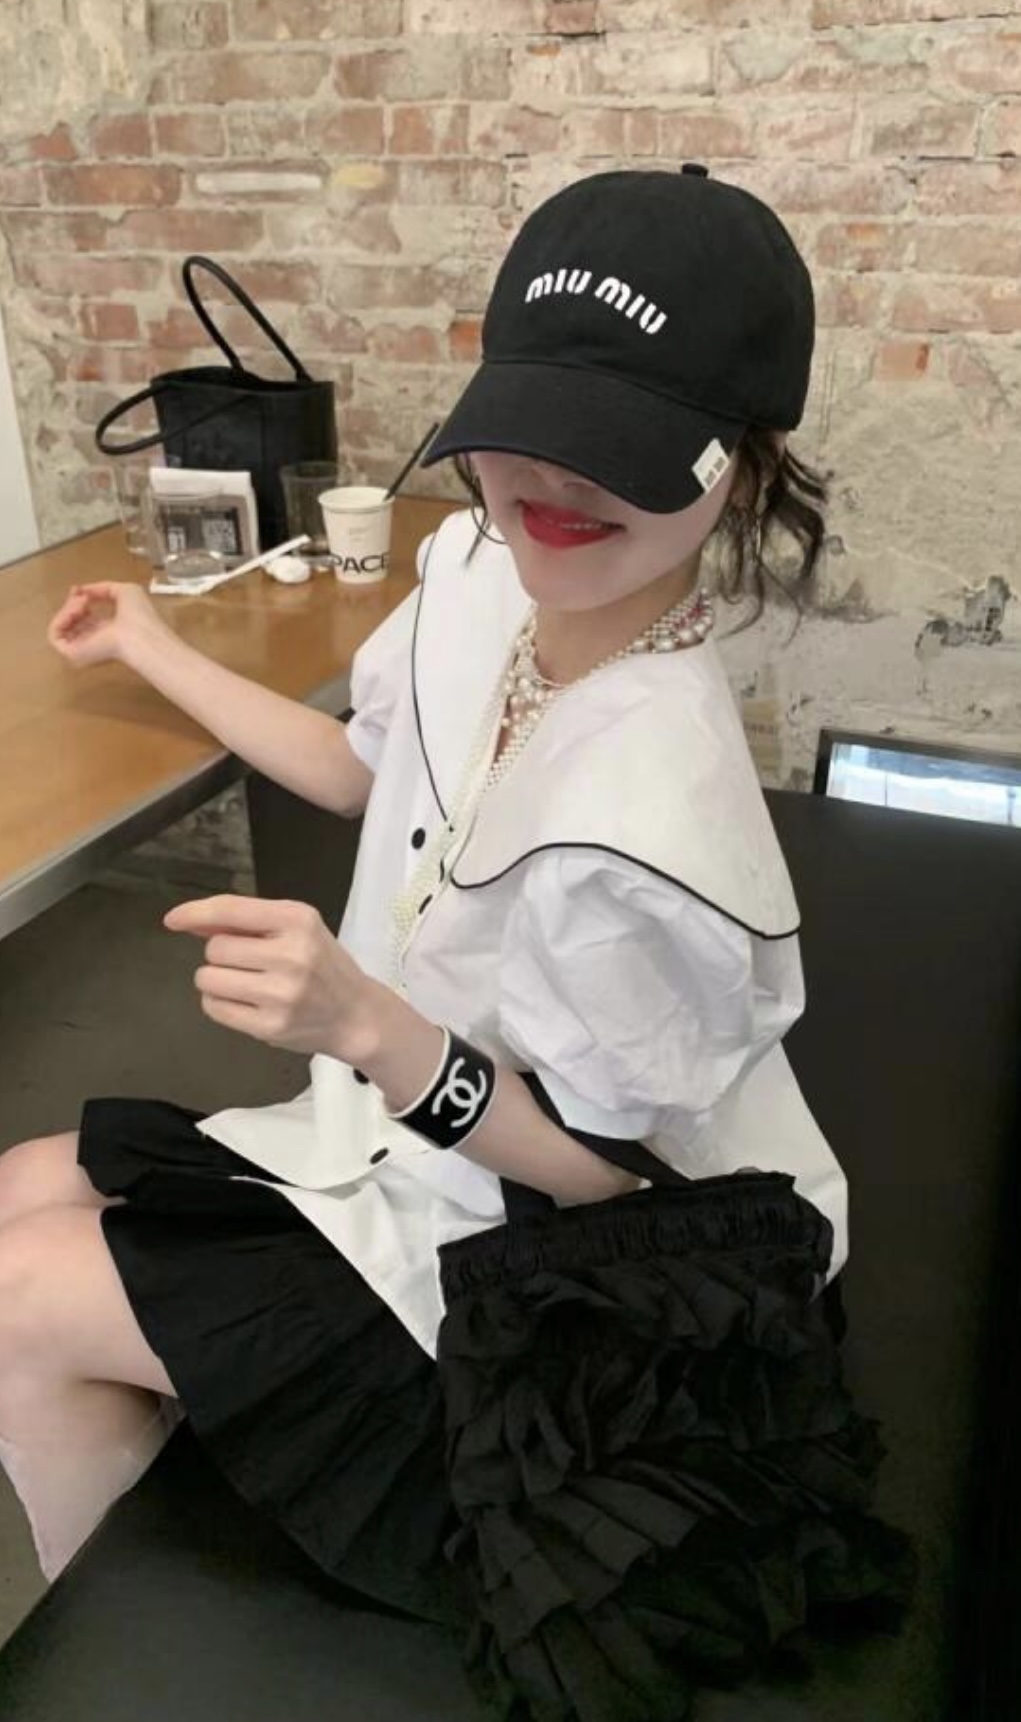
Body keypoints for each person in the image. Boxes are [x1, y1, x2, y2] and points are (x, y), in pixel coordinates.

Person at [0, 166, 905, 1716]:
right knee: (21, 1182)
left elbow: (614, 1178)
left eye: (620, 443)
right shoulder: (479, 576)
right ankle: (137, 1554)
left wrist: (375, 1029)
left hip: (586, 1262)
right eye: (529, 419)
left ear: (744, 466)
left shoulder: (658, 818)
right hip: (405, 1143)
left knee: (19, 1292)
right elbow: (366, 769)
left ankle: (122, 1663)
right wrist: (150, 645)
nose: (550, 479)